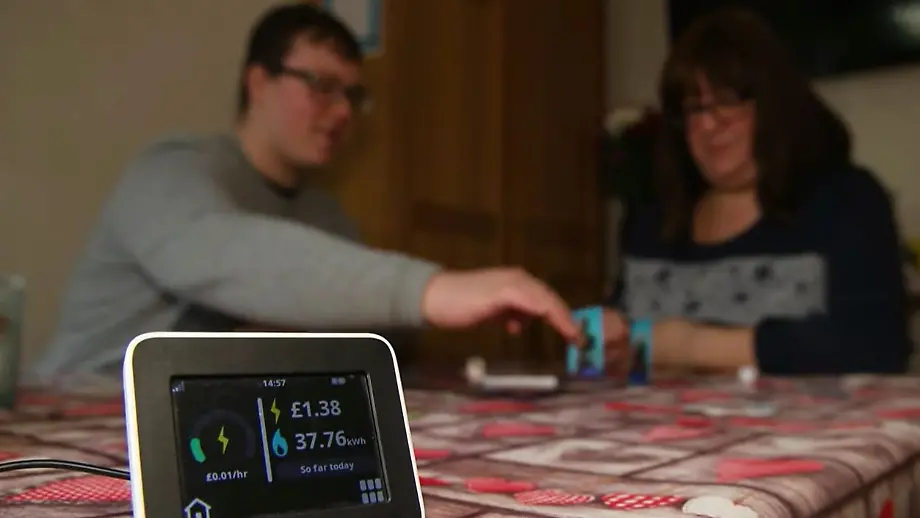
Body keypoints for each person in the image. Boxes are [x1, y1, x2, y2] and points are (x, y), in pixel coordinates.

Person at [31, 3, 581, 385]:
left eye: (352, 96)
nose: (341, 112)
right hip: (78, 410)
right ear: (257, 82)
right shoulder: (169, 170)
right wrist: (433, 290)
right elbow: (225, 255)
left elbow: (369, 335)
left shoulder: (326, 217)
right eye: (320, 86)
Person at [601, 9, 912, 375]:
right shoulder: (651, 220)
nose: (708, 124)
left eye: (727, 101)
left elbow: (877, 345)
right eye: (694, 109)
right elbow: (607, 352)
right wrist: (597, 342)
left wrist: (689, 345)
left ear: (771, 104)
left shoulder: (847, 201)